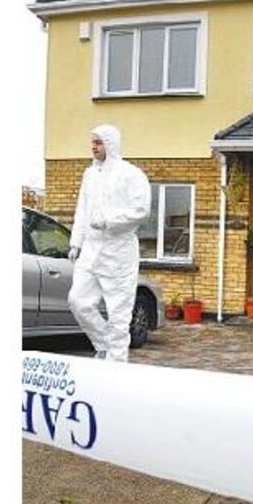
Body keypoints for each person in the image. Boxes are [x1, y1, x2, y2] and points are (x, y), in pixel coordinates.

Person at [67, 124, 151, 362]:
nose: (94, 147)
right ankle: (104, 344)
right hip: (92, 250)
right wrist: (76, 242)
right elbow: (81, 211)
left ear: (111, 144)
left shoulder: (131, 174)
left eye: (99, 142)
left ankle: (116, 364)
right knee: (78, 301)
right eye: (92, 142)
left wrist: (109, 222)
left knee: (118, 313)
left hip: (119, 252)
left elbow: (141, 210)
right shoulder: (90, 175)